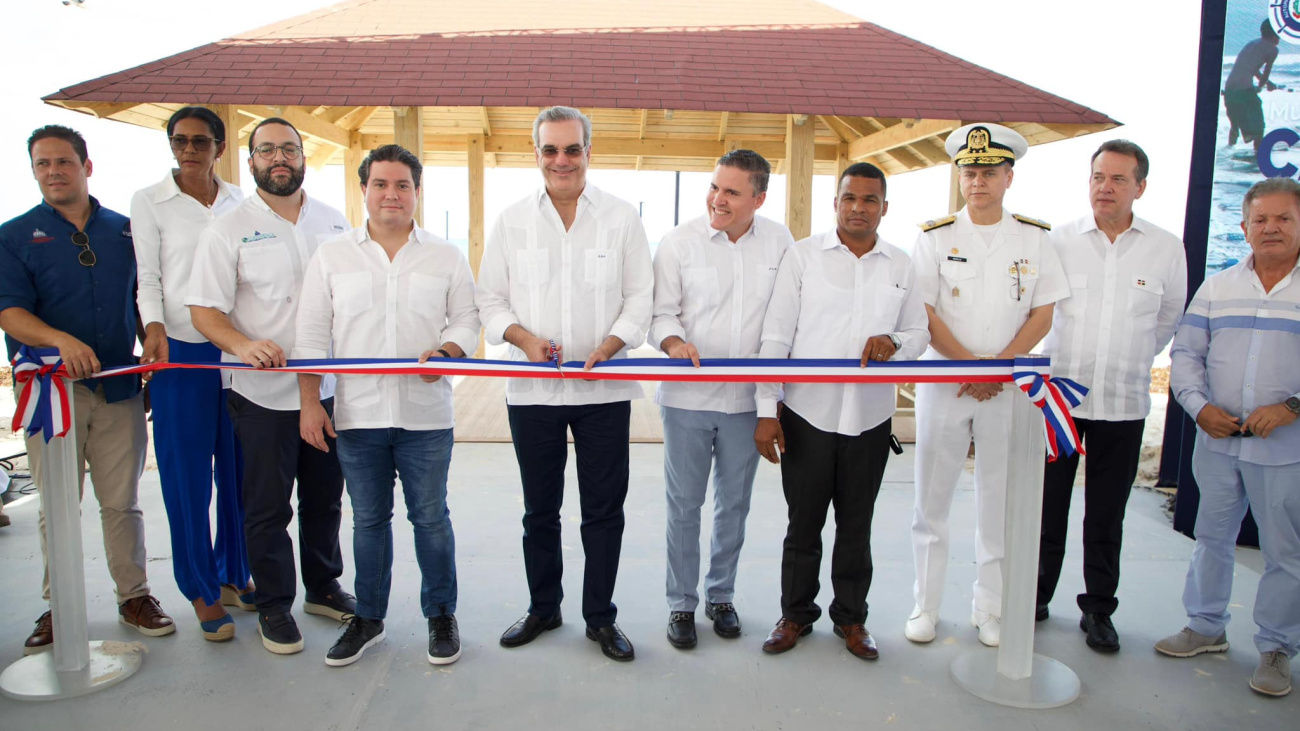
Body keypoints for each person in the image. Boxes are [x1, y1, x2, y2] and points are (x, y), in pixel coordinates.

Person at [476, 106, 653, 662]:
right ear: (537, 154)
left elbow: (639, 298)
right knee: (540, 510)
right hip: (533, 392)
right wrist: (525, 340)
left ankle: (600, 618)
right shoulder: (511, 221)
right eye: (550, 150)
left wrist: (610, 345)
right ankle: (543, 607)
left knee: (604, 510)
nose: (561, 160)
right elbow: (489, 301)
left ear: (588, 152)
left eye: (572, 149)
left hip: (604, 391)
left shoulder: (622, 218)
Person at [294, 144, 480, 667]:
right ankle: (369, 617)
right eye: (381, 184)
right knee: (369, 522)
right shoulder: (333, 256)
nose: (391, 194)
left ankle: (440, 614)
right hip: (358, 417)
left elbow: (467, 320)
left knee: (430, 519)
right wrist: (311, 403)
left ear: (417, 193)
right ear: (364, 191)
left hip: (425, 416)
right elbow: (311, 334)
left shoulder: (445, 255)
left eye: (402, 185)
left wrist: (446, 351)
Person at [0, 125, 174, 654]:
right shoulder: (13, 236)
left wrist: (154, 334)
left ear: (86, 166)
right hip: (54, 394)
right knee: (57, 504)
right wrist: (58, 341)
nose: (53, 172)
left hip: (119, 388)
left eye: (63, 162)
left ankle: (134, 596)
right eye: (42, 164)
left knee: (122, 502)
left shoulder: (126, 231)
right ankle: (62, 607)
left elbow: (149, 296)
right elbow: (9, 312)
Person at [188, 117, 355, 656]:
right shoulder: (228, 228)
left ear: (304, 156)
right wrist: (240, 345)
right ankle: (276, 605)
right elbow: (203, 310)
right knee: (266, 506)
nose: (278, 158)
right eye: (266, 151)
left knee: (326, 497)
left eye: (288, 148)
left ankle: (324, 587)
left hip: (329, 389)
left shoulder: (335, 222)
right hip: (261, 396)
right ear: (251, 159)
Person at [754, 162, 929, 659]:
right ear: (836, 202)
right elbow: (776, 336)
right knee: (803, 524)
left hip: (870, 419)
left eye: (870, 200)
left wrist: (893, 341)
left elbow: (919, 333)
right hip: (807, 415)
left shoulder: (901, 265)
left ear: (884, 208)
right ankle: (794, 615)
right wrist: (768, 409)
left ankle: (852, 621)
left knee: (857, 525)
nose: (859, 208)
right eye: (850, 197)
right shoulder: (803, 257)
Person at [907, 123, 1069, 648]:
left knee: (998, 499)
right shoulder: (934, 237)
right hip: (945, 382)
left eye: (988, 172)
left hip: (1008, 385)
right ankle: (925, 606)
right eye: (969, 171)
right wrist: (969, 368)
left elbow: (1044, 312)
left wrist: (998, 366)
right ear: (959, 177)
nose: (977, 181)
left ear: (1009, 177)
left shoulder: (1035, 237)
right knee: (932, 499)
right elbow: (924, 311)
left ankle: (991, 608)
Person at [1037, 140, 1188, 652]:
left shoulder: (1165, 247)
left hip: (1122, 404)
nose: (1105, 186)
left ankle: (1098, 609)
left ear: (1140, 187)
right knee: (1046, 507)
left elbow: (1168, 319)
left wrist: (1132, 355)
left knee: (1106, 514)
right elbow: (1039, 314)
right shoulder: (1058, 241)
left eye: (1119, 179)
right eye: (1099, 176)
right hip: (1059, 402)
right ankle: (1034, 599)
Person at [1158, 176, 1300, 698]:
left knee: (1284, 552)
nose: (1271, 228)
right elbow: (1186, 354)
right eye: (1261, 219)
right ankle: (1205, 626)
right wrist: (1198, 408)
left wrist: (1290, 408)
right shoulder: (1218, 287)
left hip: (1286, 450)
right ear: (1244, 228)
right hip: (1216, 442)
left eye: (1284, 218)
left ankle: (1277, 648)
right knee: (1211, 539)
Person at [650, 149, 793, 649]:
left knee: (734, 505)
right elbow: (660, 314)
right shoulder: (677, 243)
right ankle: (681, 605)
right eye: (714, 187)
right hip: (687, 399)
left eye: (732, 191)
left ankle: (720, 596)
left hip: (747, 403)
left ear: (759, 197)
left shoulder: (780, 243)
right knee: (684, 506)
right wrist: (672, 342)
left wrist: (768, 408)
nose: (718, 199)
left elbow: (782, 327)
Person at [131, 106, 253, 642]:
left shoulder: (239, 202)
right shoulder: (150, 202)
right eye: (179, 140)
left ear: (219, 148)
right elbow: (149, 276)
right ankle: (200, 589)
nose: (189, 149)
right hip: (180, 351)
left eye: (200, 141)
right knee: (187, 480)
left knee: (238, 473)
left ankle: (232, 573)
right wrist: (153, 327)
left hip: (235, 351)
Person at [1224, 20, 1280, 151]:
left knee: (1235, 125)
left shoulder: (1252, 44)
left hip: (1229, 90)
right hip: (1244, 91)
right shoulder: (1273, 49)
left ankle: (1226, 156)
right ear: (1274, 34)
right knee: (1258, 127)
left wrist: (1267, 83)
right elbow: (1265, 73)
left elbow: (1251, 68)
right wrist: (1260, 87)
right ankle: (1257, 160)